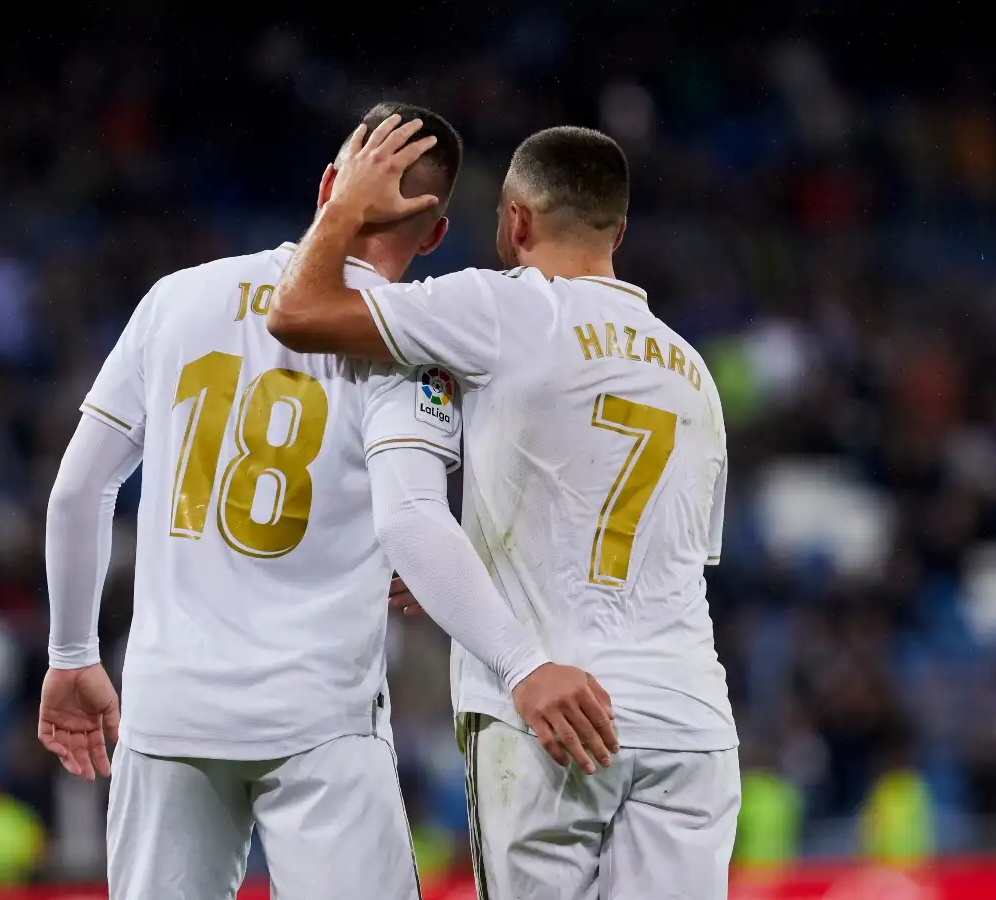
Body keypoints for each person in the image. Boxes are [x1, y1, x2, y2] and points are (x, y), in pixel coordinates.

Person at [36, 102, 617, 900]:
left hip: (169, 709)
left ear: (327, 187)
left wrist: (72, 655)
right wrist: (517, 658)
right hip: (320, 721)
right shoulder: (409, 345)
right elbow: (410, 517)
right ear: (437, 235)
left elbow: (78, 490)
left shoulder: (178, 299)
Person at [271, 118, 738, 899]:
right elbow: (654, 551)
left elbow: (298, 313)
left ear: (515, 220)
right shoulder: (691, 370)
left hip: (550, 713)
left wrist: (344, 207)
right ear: (619, 229)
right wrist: (473, 570)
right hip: (690, 722)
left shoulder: (506, 307)